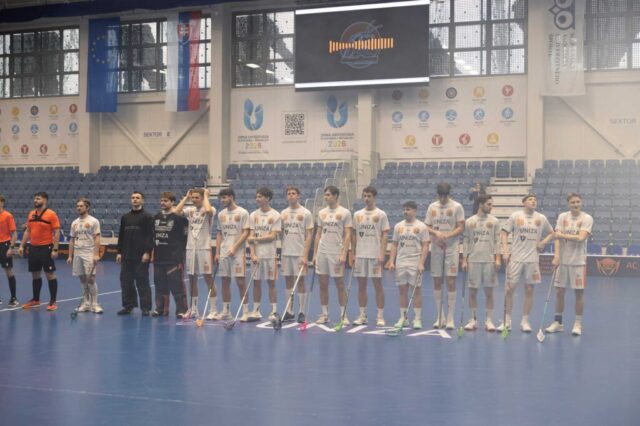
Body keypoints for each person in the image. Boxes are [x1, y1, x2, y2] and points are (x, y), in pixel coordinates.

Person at [499, 194, 555, 332]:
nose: (533, 201)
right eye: (530, 199)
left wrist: (543, 242)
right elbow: (504, 233)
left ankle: (525, 321)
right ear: (523, 202)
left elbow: (552, 233)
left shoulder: (541, 218)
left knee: (529, 290)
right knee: (510, 289)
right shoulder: (515, 216)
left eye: (535, 199)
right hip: (516, 258)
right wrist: (505, 251)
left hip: (532, 259)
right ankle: (507, 320)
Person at [546, 193, 593, 336]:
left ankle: (577, 324)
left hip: (578, 261)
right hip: (562, 262)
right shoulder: (562, 217)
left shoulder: (587, 218)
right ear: (568, 204)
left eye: (578, 202)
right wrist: (556, 256)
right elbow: (557, 238)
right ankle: (558, 323)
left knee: (578, 293)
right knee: (559, 292)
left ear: (581, 203)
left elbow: (580, 238)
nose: (576, 204)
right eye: (573, 202)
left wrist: (562, 235)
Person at [424, 182, 465, 329]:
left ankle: (450, 317)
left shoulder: (457, 207)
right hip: (436, 247)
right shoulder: (432, 207)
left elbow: (461, 227)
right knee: (437, 280)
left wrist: (448, 235)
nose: (442, 199)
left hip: (452, 248)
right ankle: (439, 316)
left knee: (451, 281)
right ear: (437, 194)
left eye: (445, 196)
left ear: (449, 194)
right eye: (440, 196)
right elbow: (426, 226)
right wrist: (436, 233)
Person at [386, 201, 429, 329]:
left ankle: (417, 319)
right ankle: (403, 318)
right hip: (401, 262)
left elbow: (425, 246)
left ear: (415, 211)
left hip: (415, 262)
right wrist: (391, 261)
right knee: (402, 291)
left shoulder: (422, 227)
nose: (405, 212)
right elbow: (394, 245)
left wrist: (421, 263)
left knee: (416, 291)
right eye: (404, 209)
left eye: (408, 209)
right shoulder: (398, 226)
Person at [175, 188, 217, 320]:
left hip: (204, 248)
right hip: (190, 248)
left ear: (202, 198)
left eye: (196, 197)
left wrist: (206, 195)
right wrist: (185, 198)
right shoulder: (190, 210)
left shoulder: (210, 208)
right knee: (192, 278)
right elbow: (176, 212)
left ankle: (213, 309)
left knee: (208, 278)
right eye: (192, 197)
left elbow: (209, 211)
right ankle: (193, 309)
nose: (194, 200)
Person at [313, 185, 352, 325]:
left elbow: (348, 234)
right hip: (322, 252)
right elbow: (318, 234)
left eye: (328, 195)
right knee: (323, 284)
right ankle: (324, 315)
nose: (326, 197)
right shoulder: (321, 213)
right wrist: (315, 253)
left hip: (336, 252)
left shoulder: (345, 213)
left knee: (340, 284)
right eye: (325, 195)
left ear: (335, 196)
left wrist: (344, 252)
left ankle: (343, 315)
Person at [461, 194, 501, 331]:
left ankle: (489, 320)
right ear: (480, 204)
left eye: (491, 204)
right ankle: (473, 320)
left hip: (489, 261)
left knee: (489, 292)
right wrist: (464, 259)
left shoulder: (495, 221)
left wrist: (497, 258)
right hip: (473, 260)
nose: (491, 207)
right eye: (489, 204)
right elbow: (466, 240)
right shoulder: (469, 221)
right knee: (472, 292)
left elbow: (497, 241)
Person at [352, 186, 389, 326]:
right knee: (361, 286)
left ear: (374, 197)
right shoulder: (357, 214)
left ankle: (380, 316)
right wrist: (353, 253)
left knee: (378, 286)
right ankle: (362, 315)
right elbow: (354, 235)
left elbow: (385, 235)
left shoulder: (381, 214)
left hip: (375, 255)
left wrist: (382, 253)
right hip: (360, 255)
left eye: (369, 196)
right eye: (365, 196)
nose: (366, 199)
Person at [19, 192, 61, 311]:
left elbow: (56, 232)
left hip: (46, 248)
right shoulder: (31, 213)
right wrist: (21, 245)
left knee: (49, 274)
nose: (35, 200)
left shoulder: (51, 214)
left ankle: (53, 302)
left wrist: (55, 249)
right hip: (33, 248)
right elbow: (28, 231)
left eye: (38, 198)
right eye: (35, 198)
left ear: (45, 200)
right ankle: (36, 299)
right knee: (35, 274)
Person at [116, 191, 154, 316]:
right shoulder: (125, 217)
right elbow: (121, 236)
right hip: (126, 255)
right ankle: (128, 306)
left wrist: (147, 252)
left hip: (141, 256)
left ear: (142, 200)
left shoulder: (148, 217)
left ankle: (145, 307)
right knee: (126, 282)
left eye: (138, 198)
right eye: (133, 197)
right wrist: (119, 252)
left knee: (142, 281)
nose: (135, 199)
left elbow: (150, 236)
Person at [151, 192, 189, 318]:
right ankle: (160, 309)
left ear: (172, 202)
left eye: (166, 201)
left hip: (174, 258)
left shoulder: (180, 218)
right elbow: (154, 236)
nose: (163, 203)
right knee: (159, 285)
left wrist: (180, 253)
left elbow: (185, 236)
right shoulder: (156, 217)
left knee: (177, 285)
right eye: (162, 200)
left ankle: (182, 310)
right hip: (159, 257)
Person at [214, 188, 250, 321]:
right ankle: (226, 311)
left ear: (231, 197)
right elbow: (219, 233)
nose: (222, 200)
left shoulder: (243, 212)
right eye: (221, 198)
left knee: (240, 281)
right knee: (224, 281)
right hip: (224, 252)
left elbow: (246, 232)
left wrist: (235, 247)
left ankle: (246, 311)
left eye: (224, 198)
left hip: (238, 252)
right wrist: (217, 252)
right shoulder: (221, 214)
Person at [280, 186, 314, 323]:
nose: (291, 195)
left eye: (293, 193)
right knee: (288, 281)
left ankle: (301, 312)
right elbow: (282, 232)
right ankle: (289, 311)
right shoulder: (283, 213)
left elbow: (309, 235)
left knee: (300, 282)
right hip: (286, 252)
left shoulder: (306, 213)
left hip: (299, 253)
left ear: (298, 196)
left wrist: (305, 255)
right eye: (288, 193)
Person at [247, 187, 281, 321]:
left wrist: (256, 239)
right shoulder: (253, 215)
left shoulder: (276, 215)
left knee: (271, 283)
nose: (257, 199)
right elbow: (250, 236)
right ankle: (256, 310)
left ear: (267, 198)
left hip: (270, 255)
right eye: (256, 196)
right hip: (256, 256)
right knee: (256, 283)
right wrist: (252, 254)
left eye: (260, 196)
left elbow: (272, 237)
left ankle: (274, 311)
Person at [66, 198, 103, 314]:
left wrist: (96, 254)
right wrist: (70, 256)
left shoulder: (94, 221)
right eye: (77, 206)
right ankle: (86, 303)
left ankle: (95, 304)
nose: (78, 208)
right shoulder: (74, 222)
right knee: (82, 278)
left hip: (89, 252)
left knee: (90, 279)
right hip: (77, 252)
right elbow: (72, 239)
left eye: (81, 206)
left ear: (87, 207)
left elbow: (97, 238)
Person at [0, 194, 18, 307]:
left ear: (2, 203)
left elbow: (14, 234)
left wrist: (11, 247)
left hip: (5, 245)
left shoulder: (8, 216)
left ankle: (13, 298)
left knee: (8, 271)